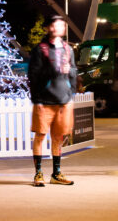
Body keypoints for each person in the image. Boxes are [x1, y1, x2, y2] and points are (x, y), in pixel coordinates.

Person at [28, 15, 77, 186]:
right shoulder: (40, 49)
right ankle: (38, 173)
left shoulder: (68, 49)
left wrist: (72, 95)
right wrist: (37, 100)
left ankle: (56, 174)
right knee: (40, 136)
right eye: (57, 24)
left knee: (58, 137)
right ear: (49, 27)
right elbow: (33, 76)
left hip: (63, 100)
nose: (61, 27)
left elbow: (73, 72)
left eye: (63, 24)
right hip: (44, 100)